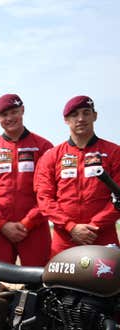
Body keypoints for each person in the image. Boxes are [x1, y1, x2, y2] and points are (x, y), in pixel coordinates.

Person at [35, 96, 120, 255]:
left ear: (95, 116)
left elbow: (119, 196)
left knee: (108, 280)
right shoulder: (51, 156)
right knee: (59, 281)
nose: (81, 119)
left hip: (102, 235)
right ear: (66, 119)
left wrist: (94, 226)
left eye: (86, 113)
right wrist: (71, 226)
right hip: (65, 238)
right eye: (74, 115)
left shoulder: (114, 152)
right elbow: (44, 198)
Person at [0, 94, 53, 266]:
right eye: (4, 115)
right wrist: (2, 224)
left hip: (35, 228)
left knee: (39, 283)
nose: (10, 118)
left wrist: (28, 223)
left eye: (14, 112)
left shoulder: (43, 147)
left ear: (23, 111)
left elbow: (48, 192)